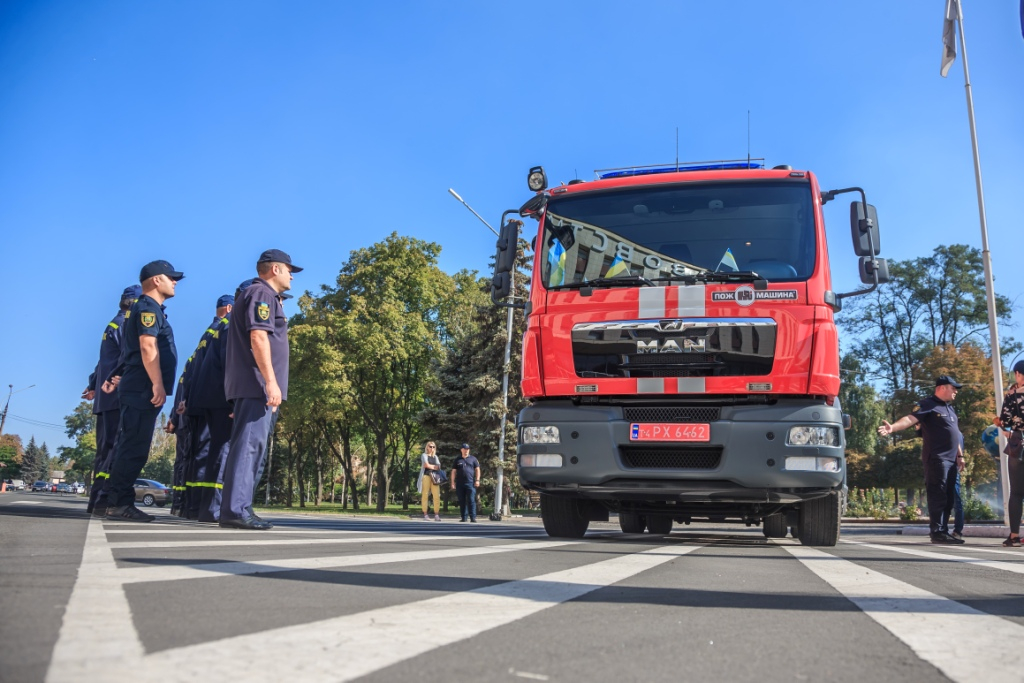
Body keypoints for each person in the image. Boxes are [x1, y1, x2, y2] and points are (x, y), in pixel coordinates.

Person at [221, 249, 300, 530]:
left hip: (255, 386)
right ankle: (235, 510)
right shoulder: (262, 294)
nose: (292, 275)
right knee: (249, 447)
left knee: (251, 447)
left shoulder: (261, 295)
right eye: (290, 269)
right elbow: (258, 336)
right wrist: (270, 381)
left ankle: (240, 506)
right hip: (257, 386)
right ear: (274, 269)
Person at [105, 260, 183, 522]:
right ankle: (118, 503)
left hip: (140, 388)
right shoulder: (147, 308)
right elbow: (148, 346)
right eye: (171, 277)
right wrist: (158, 384)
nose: (174, 282)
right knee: (133, 447)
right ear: (156, 280)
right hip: (141, 389)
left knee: (134, 446)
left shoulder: (152, 309)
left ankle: (117, 501)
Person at [878, 375, 965, 544]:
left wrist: (959, 455)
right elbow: (910, 419)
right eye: (953, 387)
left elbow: (955, 434)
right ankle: (937, 532)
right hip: (937, 458)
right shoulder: (928, 404)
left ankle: (944, 531)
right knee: (938, 495)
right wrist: (892, 428)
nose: (955, 391)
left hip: (952, 460)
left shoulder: (950, 409)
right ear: (941, 388)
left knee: (948, 497)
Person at [83, 284, 141, 515]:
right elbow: (127, 357)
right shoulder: (127, 323)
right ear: (135, 303)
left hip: (104, 398)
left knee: (105, 450)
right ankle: (105, 500)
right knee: (117, 448)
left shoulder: (112, 324)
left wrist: (92, 384)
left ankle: (97, 501)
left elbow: (102, 362)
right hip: (117, 394)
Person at [995, 360, 1024, 546]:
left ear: (1018, 374)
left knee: (1016, 493)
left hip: (1018, 443)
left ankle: (1013, 536)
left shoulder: (1012, 395)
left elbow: (1003, 420)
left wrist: (1000, 425)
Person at [450, 443, 480, 523]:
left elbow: (477, 469)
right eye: (464, 449)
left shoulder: (473, 459)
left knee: (471, 500)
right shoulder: (458, 459)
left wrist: (477, 480)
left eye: (467, 449)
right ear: (461, 450)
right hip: (460, 483)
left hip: (470, 483)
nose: (466, 450)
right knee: (462, 500)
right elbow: (453, 471)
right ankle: (464, 517)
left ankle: (473, 517)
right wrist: (452, 482)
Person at [418, 441, 443, 521]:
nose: (432, 448)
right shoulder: (424, 455)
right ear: (427, 447)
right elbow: (425, 465)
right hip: (426, 476)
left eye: (433, 447)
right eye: (430, 446)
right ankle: (425, 514)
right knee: (425, 495)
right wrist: (434, 466)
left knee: (436, 495)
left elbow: (438, 466)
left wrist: (431, 466)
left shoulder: (435, 457)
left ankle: (436, 514)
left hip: (435, 477)